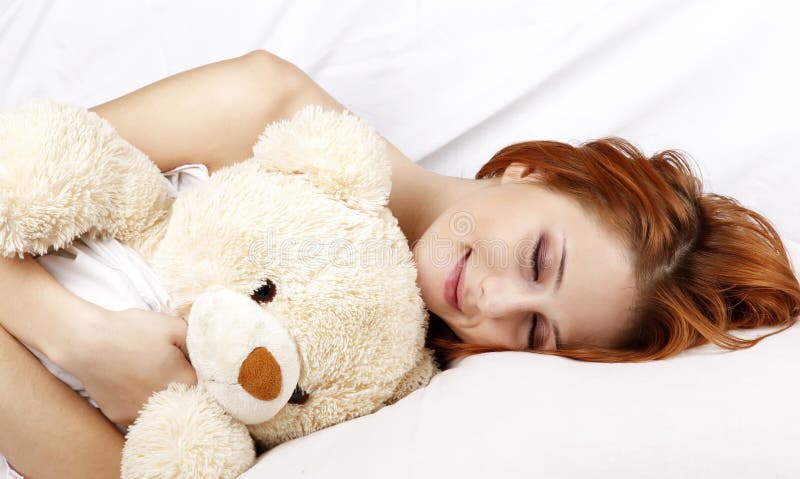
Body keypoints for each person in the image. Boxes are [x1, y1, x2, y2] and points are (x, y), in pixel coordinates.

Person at [1, 50, 798, 478]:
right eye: (538, 255)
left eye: (533, 328)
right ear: (536, 170)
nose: (488, 296)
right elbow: (22, 177)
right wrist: (79, 339)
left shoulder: (382, 385)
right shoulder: (266, 106)